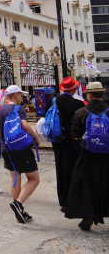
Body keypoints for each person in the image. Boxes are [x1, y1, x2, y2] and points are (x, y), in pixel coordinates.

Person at [0, 85, 41, 224]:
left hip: (6, 149)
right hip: (20, 148)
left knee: (16, 179)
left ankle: (20, 212)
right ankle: (18, 204)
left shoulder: (0, 110)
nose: (22, 98)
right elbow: (25, 126)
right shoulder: (18, 109)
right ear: (15, 95)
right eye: (21, 95)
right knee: (34, 179)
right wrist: (36, 138)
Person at [65, 82, 109, 230]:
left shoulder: (80, 112)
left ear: (88, 95)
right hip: (107, 155)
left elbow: (76, 137)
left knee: (87, 184)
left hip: (88, 155)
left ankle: (88, 215)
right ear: (102, 94)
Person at [52, 77, 85, 212]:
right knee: (74, 168)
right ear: (74, 88)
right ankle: (75, 199)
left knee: (60, 168)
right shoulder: (78, 104)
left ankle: (64, 201)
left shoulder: (52, 101)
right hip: (73, 139)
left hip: (58, 139)